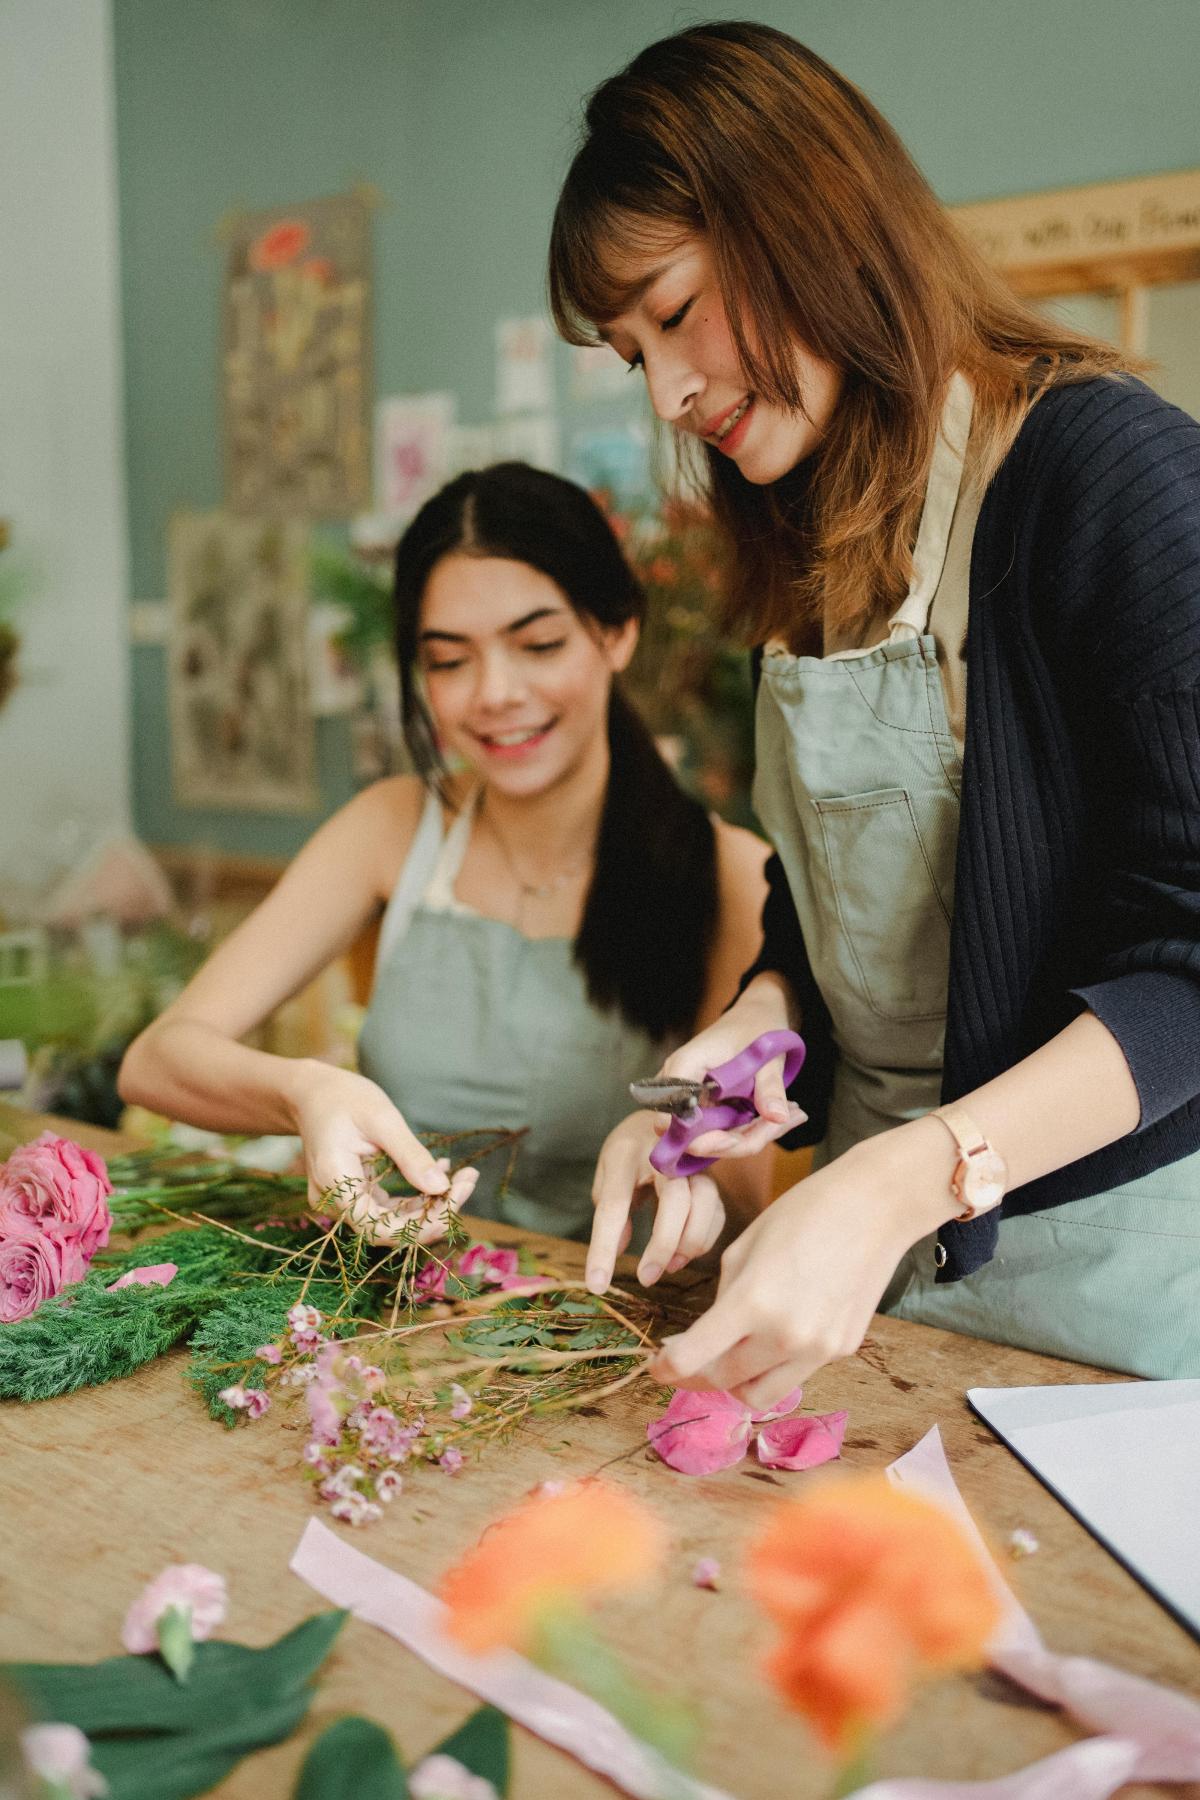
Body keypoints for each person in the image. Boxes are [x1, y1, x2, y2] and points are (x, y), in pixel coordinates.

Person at [551, 21, 1200, 1391]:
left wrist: (918, 1172)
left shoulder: (1109, 478)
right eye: (630, 353)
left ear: (808, 220)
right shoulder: (811, 536)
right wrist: (713, 1078)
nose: (666, 389)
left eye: (672, 312)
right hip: (878, 1271)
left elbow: (1190, 967)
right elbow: (832, 923)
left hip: (1115, 1284)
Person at [119, 462, 770, 1253]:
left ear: (619, 631)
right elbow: (157, 1059)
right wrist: (303, 1090)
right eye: (449, 661)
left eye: (537, 644)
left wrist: (676, 1151)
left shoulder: (729, 873)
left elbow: (744, 1206)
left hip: (605, 1330)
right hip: (387, 1309)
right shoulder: (394, 826)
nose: (494, 693)